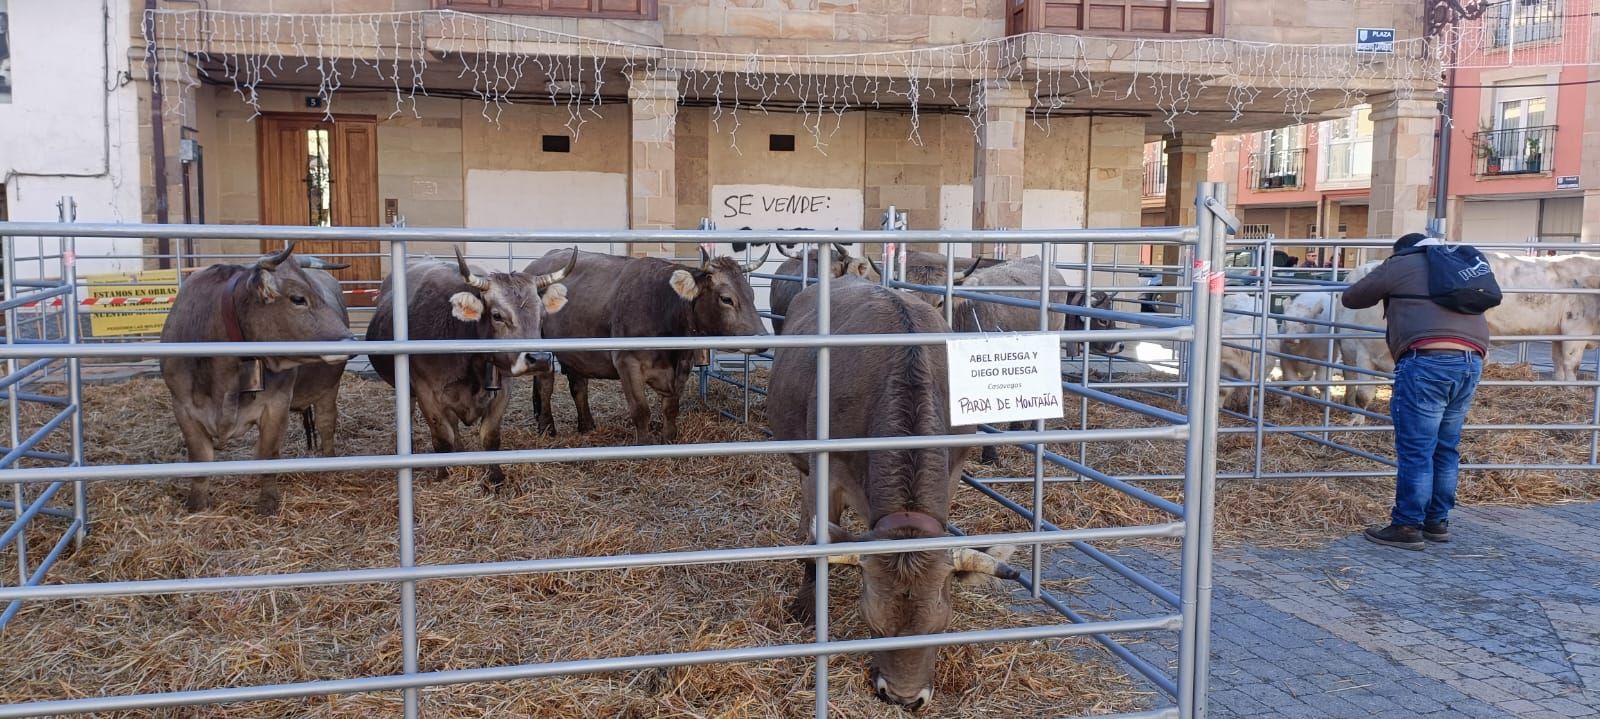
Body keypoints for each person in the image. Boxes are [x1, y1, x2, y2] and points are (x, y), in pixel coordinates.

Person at [1340, 232, 1489, 551]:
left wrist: (1390, 274)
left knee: (1417, 449)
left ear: (1402, 251)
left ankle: (1407, 526)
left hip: (1427, 360)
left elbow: (1352, 297)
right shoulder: (1457, 263)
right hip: (1471, 360)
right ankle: (1437, 522)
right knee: (1446, 446)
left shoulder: (1402, 262)